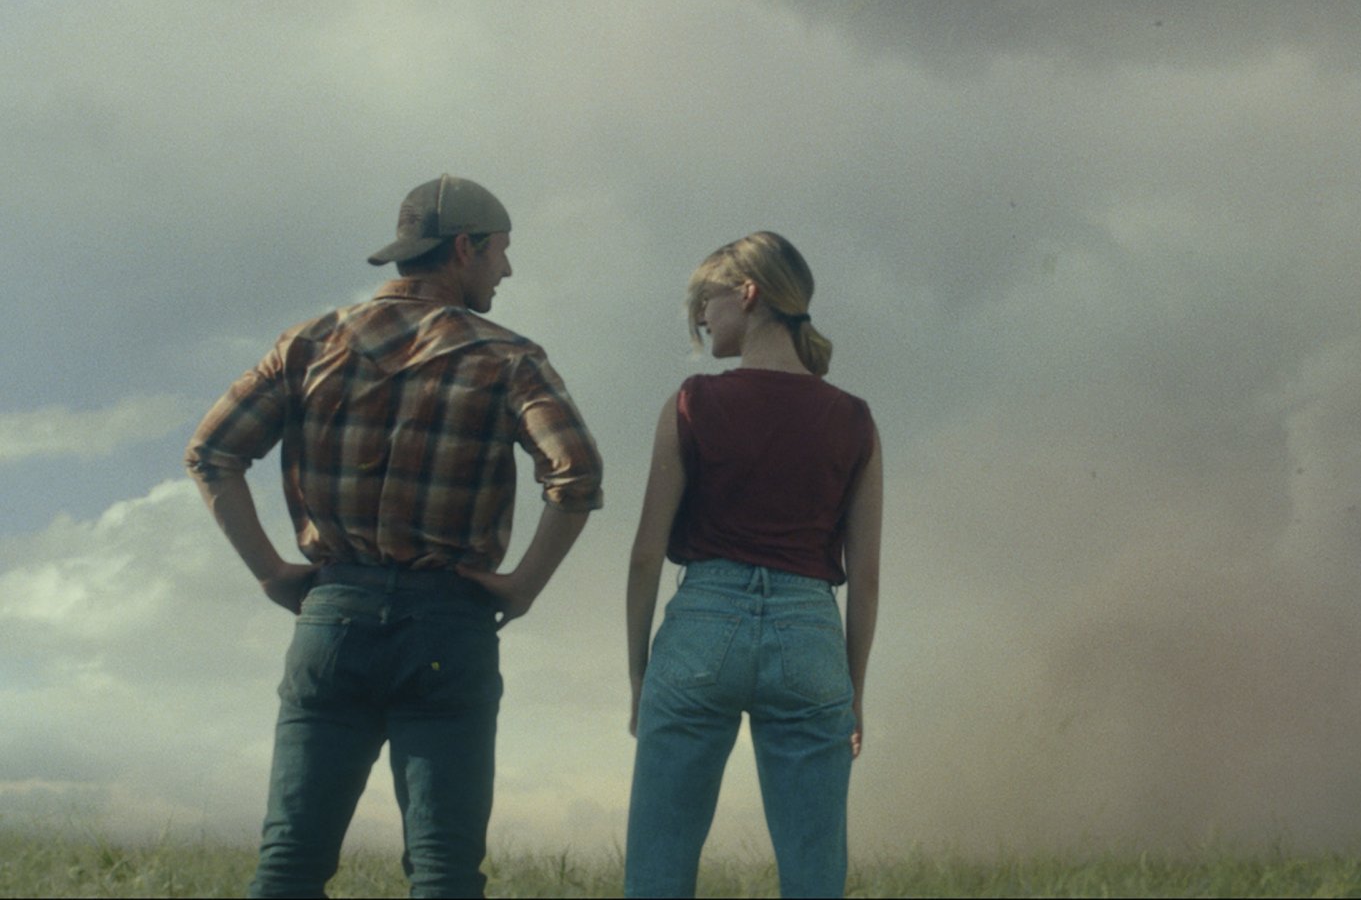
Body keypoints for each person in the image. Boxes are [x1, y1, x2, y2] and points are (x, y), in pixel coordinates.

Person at [184, 174, 603, 898]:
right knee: (443, 870)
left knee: (289, 863)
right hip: (449, 626)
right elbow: (577, 472)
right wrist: (524, 585)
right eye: (501, 251)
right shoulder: (508, 357)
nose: (507, 268)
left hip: (332, 616)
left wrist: (270, 572)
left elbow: (212, 452)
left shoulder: (308, 342)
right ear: (464, 248)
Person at [624, 231, 883, 898]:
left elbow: (647, 553)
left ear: (748, 292)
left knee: (659, 865)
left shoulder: (692, 402)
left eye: (706, 300)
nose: (701, 318)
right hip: (810, 633)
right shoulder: (855, 419)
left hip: (702, 627)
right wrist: (852, 689)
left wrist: (638, 676)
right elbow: (868, 574)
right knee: (814, 873)